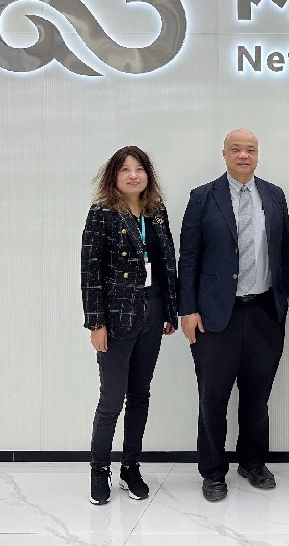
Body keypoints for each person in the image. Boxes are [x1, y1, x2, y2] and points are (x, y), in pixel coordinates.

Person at [178, 129, 289, 502]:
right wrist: (187, 309)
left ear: (258, 155)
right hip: (214, 316)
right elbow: (188, 257)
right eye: (236, 149)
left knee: (257, 396)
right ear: (224, 154)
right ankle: (213, 472)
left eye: (250, 150)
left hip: (264, 312)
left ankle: (253, 462)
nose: (244, 155)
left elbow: (284, 249)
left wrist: (284, 297)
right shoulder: (202, 197)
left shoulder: (273, 195)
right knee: (213, 398)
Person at [81, 145, 179, 505]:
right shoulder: (102, 213)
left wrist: (170, 311)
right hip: (117, 317)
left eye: (139, 169)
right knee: (111, 399)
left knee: (140, 394)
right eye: (125, 169)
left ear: (148, 175)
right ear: (114, 176)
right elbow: (90, 272)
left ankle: (130, 467)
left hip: (153, 311)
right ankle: (99, 469)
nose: (133, 175)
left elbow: (167, 263)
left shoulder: (156, 211)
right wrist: (96, 323)